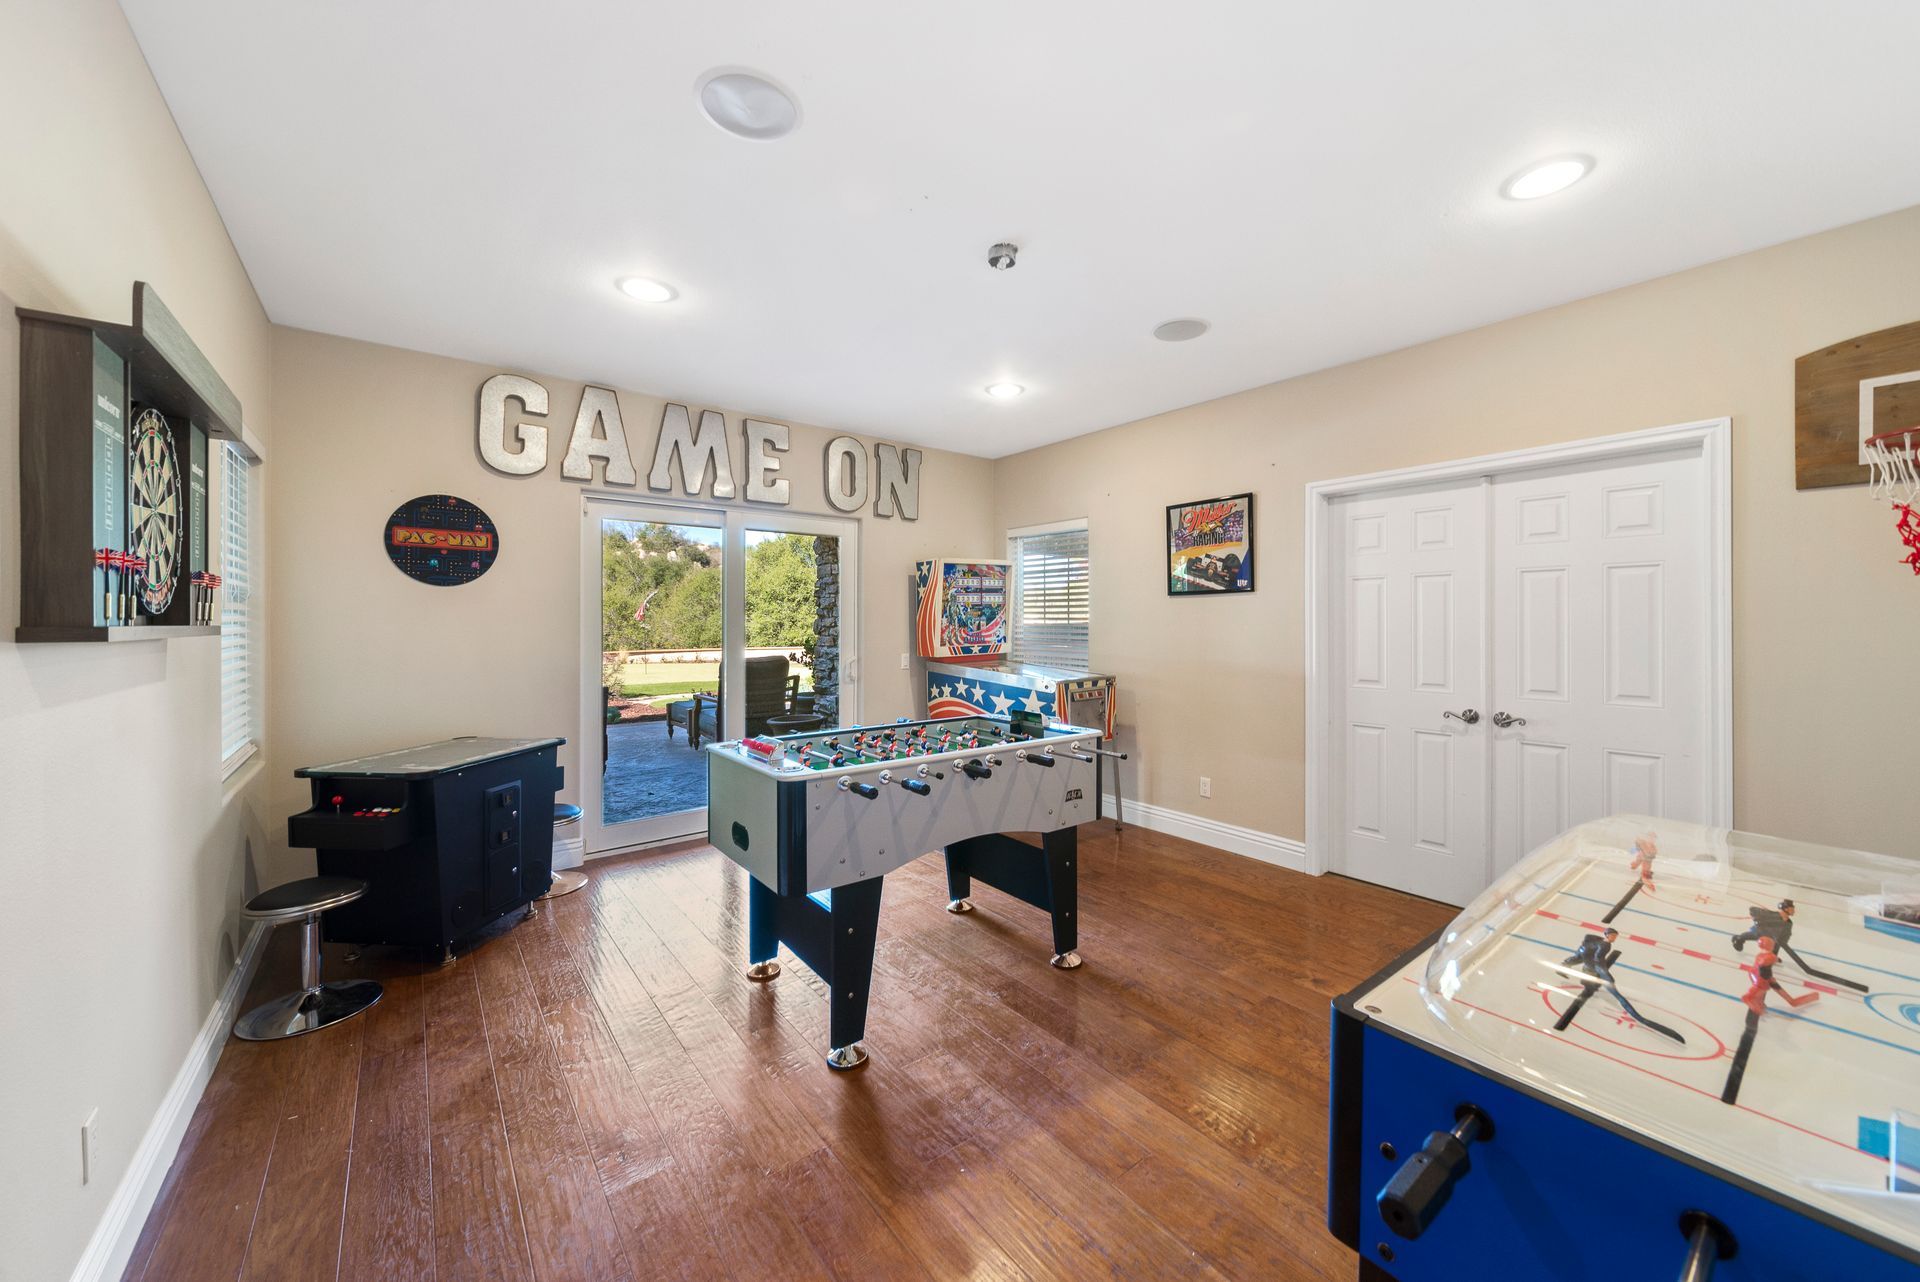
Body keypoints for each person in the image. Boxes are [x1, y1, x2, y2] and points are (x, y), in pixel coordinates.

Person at [1741, 935, 1820, 1016]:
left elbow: (1764, 963)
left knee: (1787, 999)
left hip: (1763, 977)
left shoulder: (1760, 955)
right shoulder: (1770, 957)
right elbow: (1764, 963)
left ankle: (1813, 996)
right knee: (1756, 993)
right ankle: (1757, 1005)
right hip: (1761, 979)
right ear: (1770, 946)